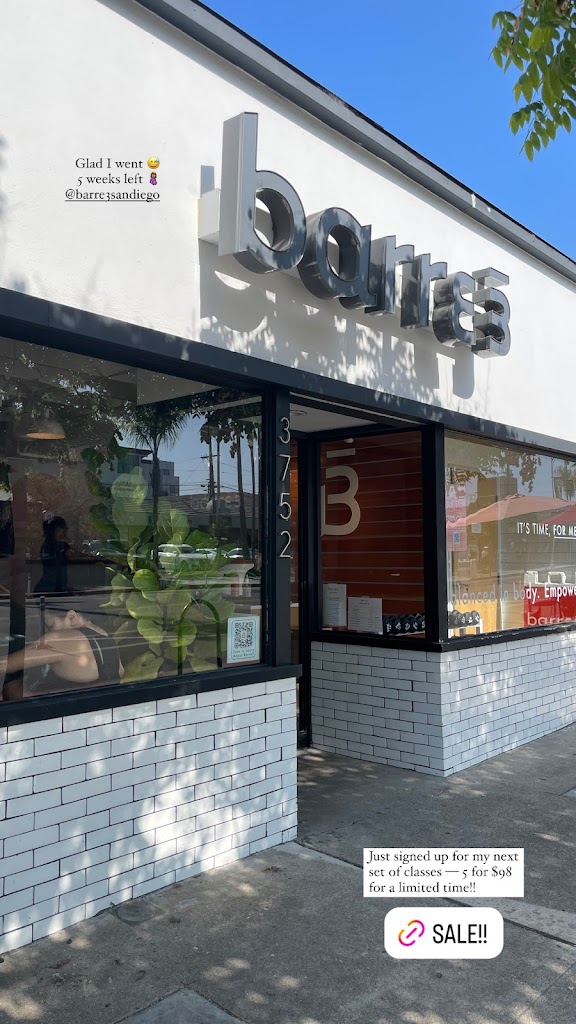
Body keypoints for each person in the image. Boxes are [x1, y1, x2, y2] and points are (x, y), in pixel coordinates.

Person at [0, 608, 124, 698]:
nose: (48, 631)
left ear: (71, 617)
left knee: (11, 687)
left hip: (52, 714)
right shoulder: (106, 637)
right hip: (93, 713)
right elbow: (121, 671)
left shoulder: (59, 639)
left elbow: (5, 665)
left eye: (51, 625)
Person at [34, 514, 70, 594]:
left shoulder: (47, 546)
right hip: (51, 590)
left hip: (53, 588)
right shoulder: (60, 547)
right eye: (65, 528)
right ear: (57, 529)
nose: (66, 531)